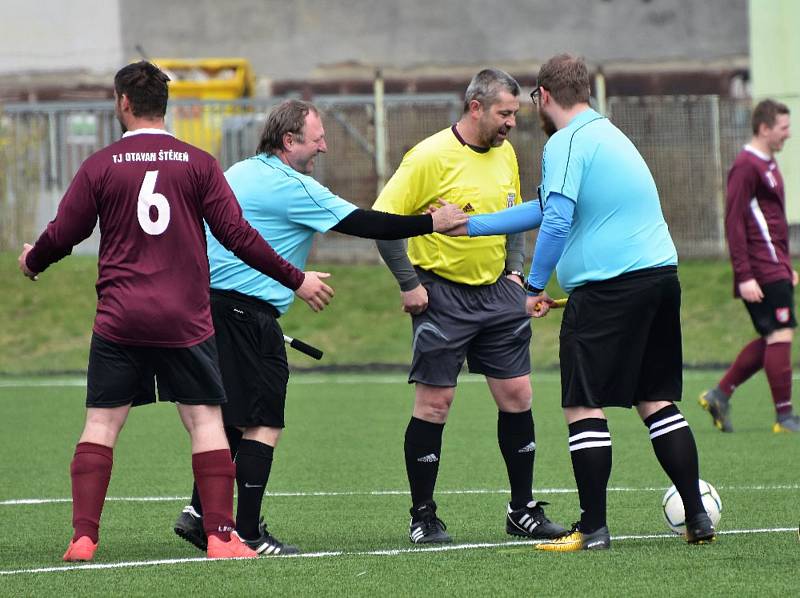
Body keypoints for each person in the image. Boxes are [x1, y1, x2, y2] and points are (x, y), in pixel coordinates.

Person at [17, 61, 334, 562]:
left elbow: (66, 230)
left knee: (101, 424)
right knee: (206, 420)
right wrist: (295, 277)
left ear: (123, 103)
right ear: (167, 106)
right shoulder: (198, 162)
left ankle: (83, 537)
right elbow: (238, 236)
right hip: (185, 318)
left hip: (120, 317)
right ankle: (221, 537)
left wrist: (34, 259)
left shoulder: (101, 164)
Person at [172, 99, 468, 555]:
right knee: (263, 422)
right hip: (246, 313)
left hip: (208, 307)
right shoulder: (293, 185)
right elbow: (364, 222)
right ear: (289, 141)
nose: (325, 147)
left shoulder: (239, 172)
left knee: (230, 419)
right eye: (317, 138)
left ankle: (199, 515)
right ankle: (247, 532)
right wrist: (433, 222)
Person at [449, 54, 715, 551]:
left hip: (610, 288)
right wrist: (470, 224)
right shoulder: (608, 135)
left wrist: (531, 288)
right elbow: (550, 207)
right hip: (658, 277)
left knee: (582, 403)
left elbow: (555, 222)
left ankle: (592, 528)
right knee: (656, 399)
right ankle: (696, 517)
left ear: (544, 97)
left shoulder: (566, 143)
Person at [371, 68, 566, 544]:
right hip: (441, 295)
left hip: (498, 293)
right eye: (504, 113)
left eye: (516, 114)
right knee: (436, 403)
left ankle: (522, 510)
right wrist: (408, 282)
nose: (511, 124)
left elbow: (514, 215)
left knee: (518, 395)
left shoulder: (507, 154)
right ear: (475, 107)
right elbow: (382, 220)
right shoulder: (429, 156)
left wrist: (518, 274)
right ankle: (423, 516)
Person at [699, 100, 799, 433]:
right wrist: (744, 275)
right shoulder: (745, 165)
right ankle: (784, 418)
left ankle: (720, 394)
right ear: (764, 128)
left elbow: (774, 220)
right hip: (760, 267)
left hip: (775, 265)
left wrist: (786, 265)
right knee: (780, 333)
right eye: (783, 127)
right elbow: (735, 222)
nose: (788, 133)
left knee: (773, 335)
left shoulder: (768, 163)